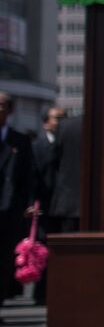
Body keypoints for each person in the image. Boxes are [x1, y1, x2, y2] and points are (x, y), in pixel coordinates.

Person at [0, 93, 35, 312]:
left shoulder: (20, 141)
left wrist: (27, 205)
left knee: (3, 260)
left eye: (2, 105)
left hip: (8, 210)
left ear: (10, 110)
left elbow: (28, 177)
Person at [30, 105, 65, 305]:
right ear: (45, 123)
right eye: (56, 118)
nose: (60, 123)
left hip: (62, 204)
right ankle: (40, 292)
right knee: (41, 248)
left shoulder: (68, 145)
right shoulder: (37, 146)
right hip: (43, 204)